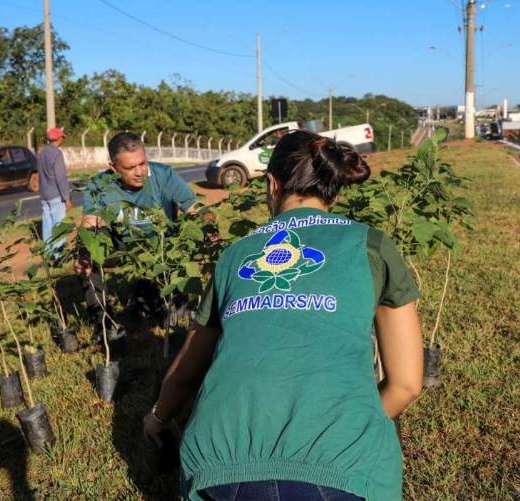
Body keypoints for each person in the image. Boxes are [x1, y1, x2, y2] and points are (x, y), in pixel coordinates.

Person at [143, 129, 424, 501]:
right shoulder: (371, 244)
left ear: (272, 185)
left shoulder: (235, 254)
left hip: (217, 467)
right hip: (339, 466)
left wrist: (157, 419)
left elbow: (186, 372)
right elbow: (406, 384)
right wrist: (355, 426)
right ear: (334, 191)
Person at [75, 132, 197, 326]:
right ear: (113, 168)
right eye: (130, 168)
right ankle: (104, 322)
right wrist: (84, 253)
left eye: (143, 163)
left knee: (170, 311)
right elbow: (91, 224)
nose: (139, 172)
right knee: (88, 253)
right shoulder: (100, 185)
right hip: (125, 245)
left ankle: (153, 293)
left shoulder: (164, 175)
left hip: (162, 248)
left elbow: (194, 210)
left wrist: (208, 226)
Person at [37, 128, 72, 256]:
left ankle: (47, 253)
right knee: (59, 225)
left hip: (44, 195)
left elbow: (40, 175)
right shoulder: (57, 154)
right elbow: (61, 178)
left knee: (47, 224)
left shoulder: (41, 153)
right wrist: (67, 198)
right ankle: (58, 255)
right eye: (62, 137)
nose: (62, 139)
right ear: (58, 139)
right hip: (56, 195)